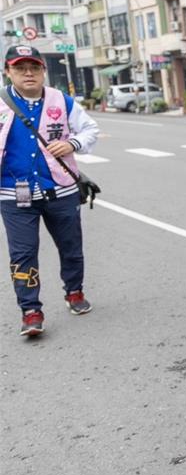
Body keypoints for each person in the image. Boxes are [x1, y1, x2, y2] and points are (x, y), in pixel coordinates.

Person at [0, 44, 99, 337]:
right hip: (13, 195)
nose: (28, 73)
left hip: (62, 191)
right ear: (8, 72)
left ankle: (75, 292)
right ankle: (31, 311)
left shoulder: (62, 100)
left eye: (34, 67)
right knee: (23, 254)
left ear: (43, 70)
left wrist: (72, 144)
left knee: (71, 248)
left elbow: (90, 129)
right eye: (20, 68)